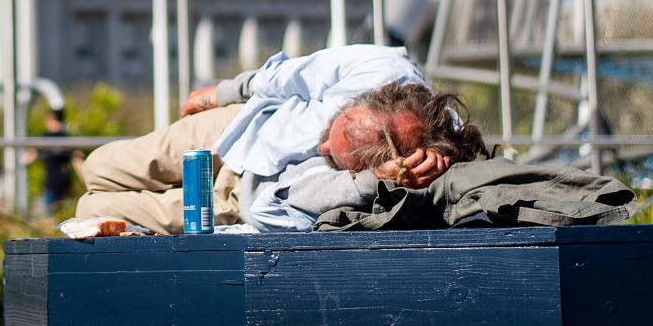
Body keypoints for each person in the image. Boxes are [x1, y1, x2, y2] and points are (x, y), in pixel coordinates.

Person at [75, 44, 487, 233]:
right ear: (371, 100)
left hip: (239, 200)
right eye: (332, 132)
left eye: (336, 158)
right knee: (99, 167)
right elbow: (285, 75)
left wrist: (379, 178)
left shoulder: (412, 164)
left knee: (92, 207)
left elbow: (295, 201)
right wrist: (221, 93)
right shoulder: (380, 66)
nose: (321, 149)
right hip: (240, 129)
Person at [24, 108, 85, 216]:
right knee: (51, 214)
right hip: (52, 185)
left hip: (64, 186)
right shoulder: (46, 138)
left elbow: (77, 159)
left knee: (60, 215)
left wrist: (86, 180)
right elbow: (29, 156)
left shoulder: (65, 138)